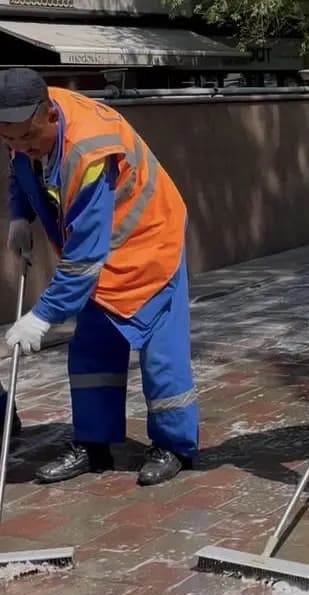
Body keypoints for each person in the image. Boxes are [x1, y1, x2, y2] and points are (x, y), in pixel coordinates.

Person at [0, 68, 198, 486]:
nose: (20, 146)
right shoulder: (22, 116)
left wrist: (42, 315)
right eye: (9, 139)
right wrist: (19, 215)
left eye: (28, 137)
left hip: (150, 244)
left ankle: (173, 446)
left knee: (161, 355)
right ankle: (93, 446)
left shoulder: (88, 150)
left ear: (50, 115)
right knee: (90, 350)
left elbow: (86, 256)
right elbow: (24, 166)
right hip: (102, 255)